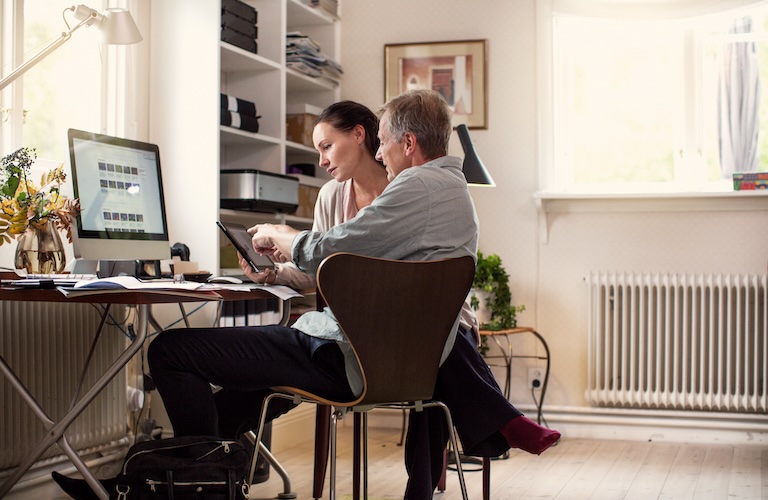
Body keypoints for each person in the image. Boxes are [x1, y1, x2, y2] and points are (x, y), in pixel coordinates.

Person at [53, 92, 559, 500]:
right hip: (385, 353)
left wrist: (281, 232)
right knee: (239, 401)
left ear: (405, 143)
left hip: (348, 353)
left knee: (169, 351)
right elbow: (339, 270)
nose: (380, 153)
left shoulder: (414, 188)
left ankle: (196, 482)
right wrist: (281, 273)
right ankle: (155, 475)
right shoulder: (451, 193)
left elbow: (333, 250)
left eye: (383, 143)